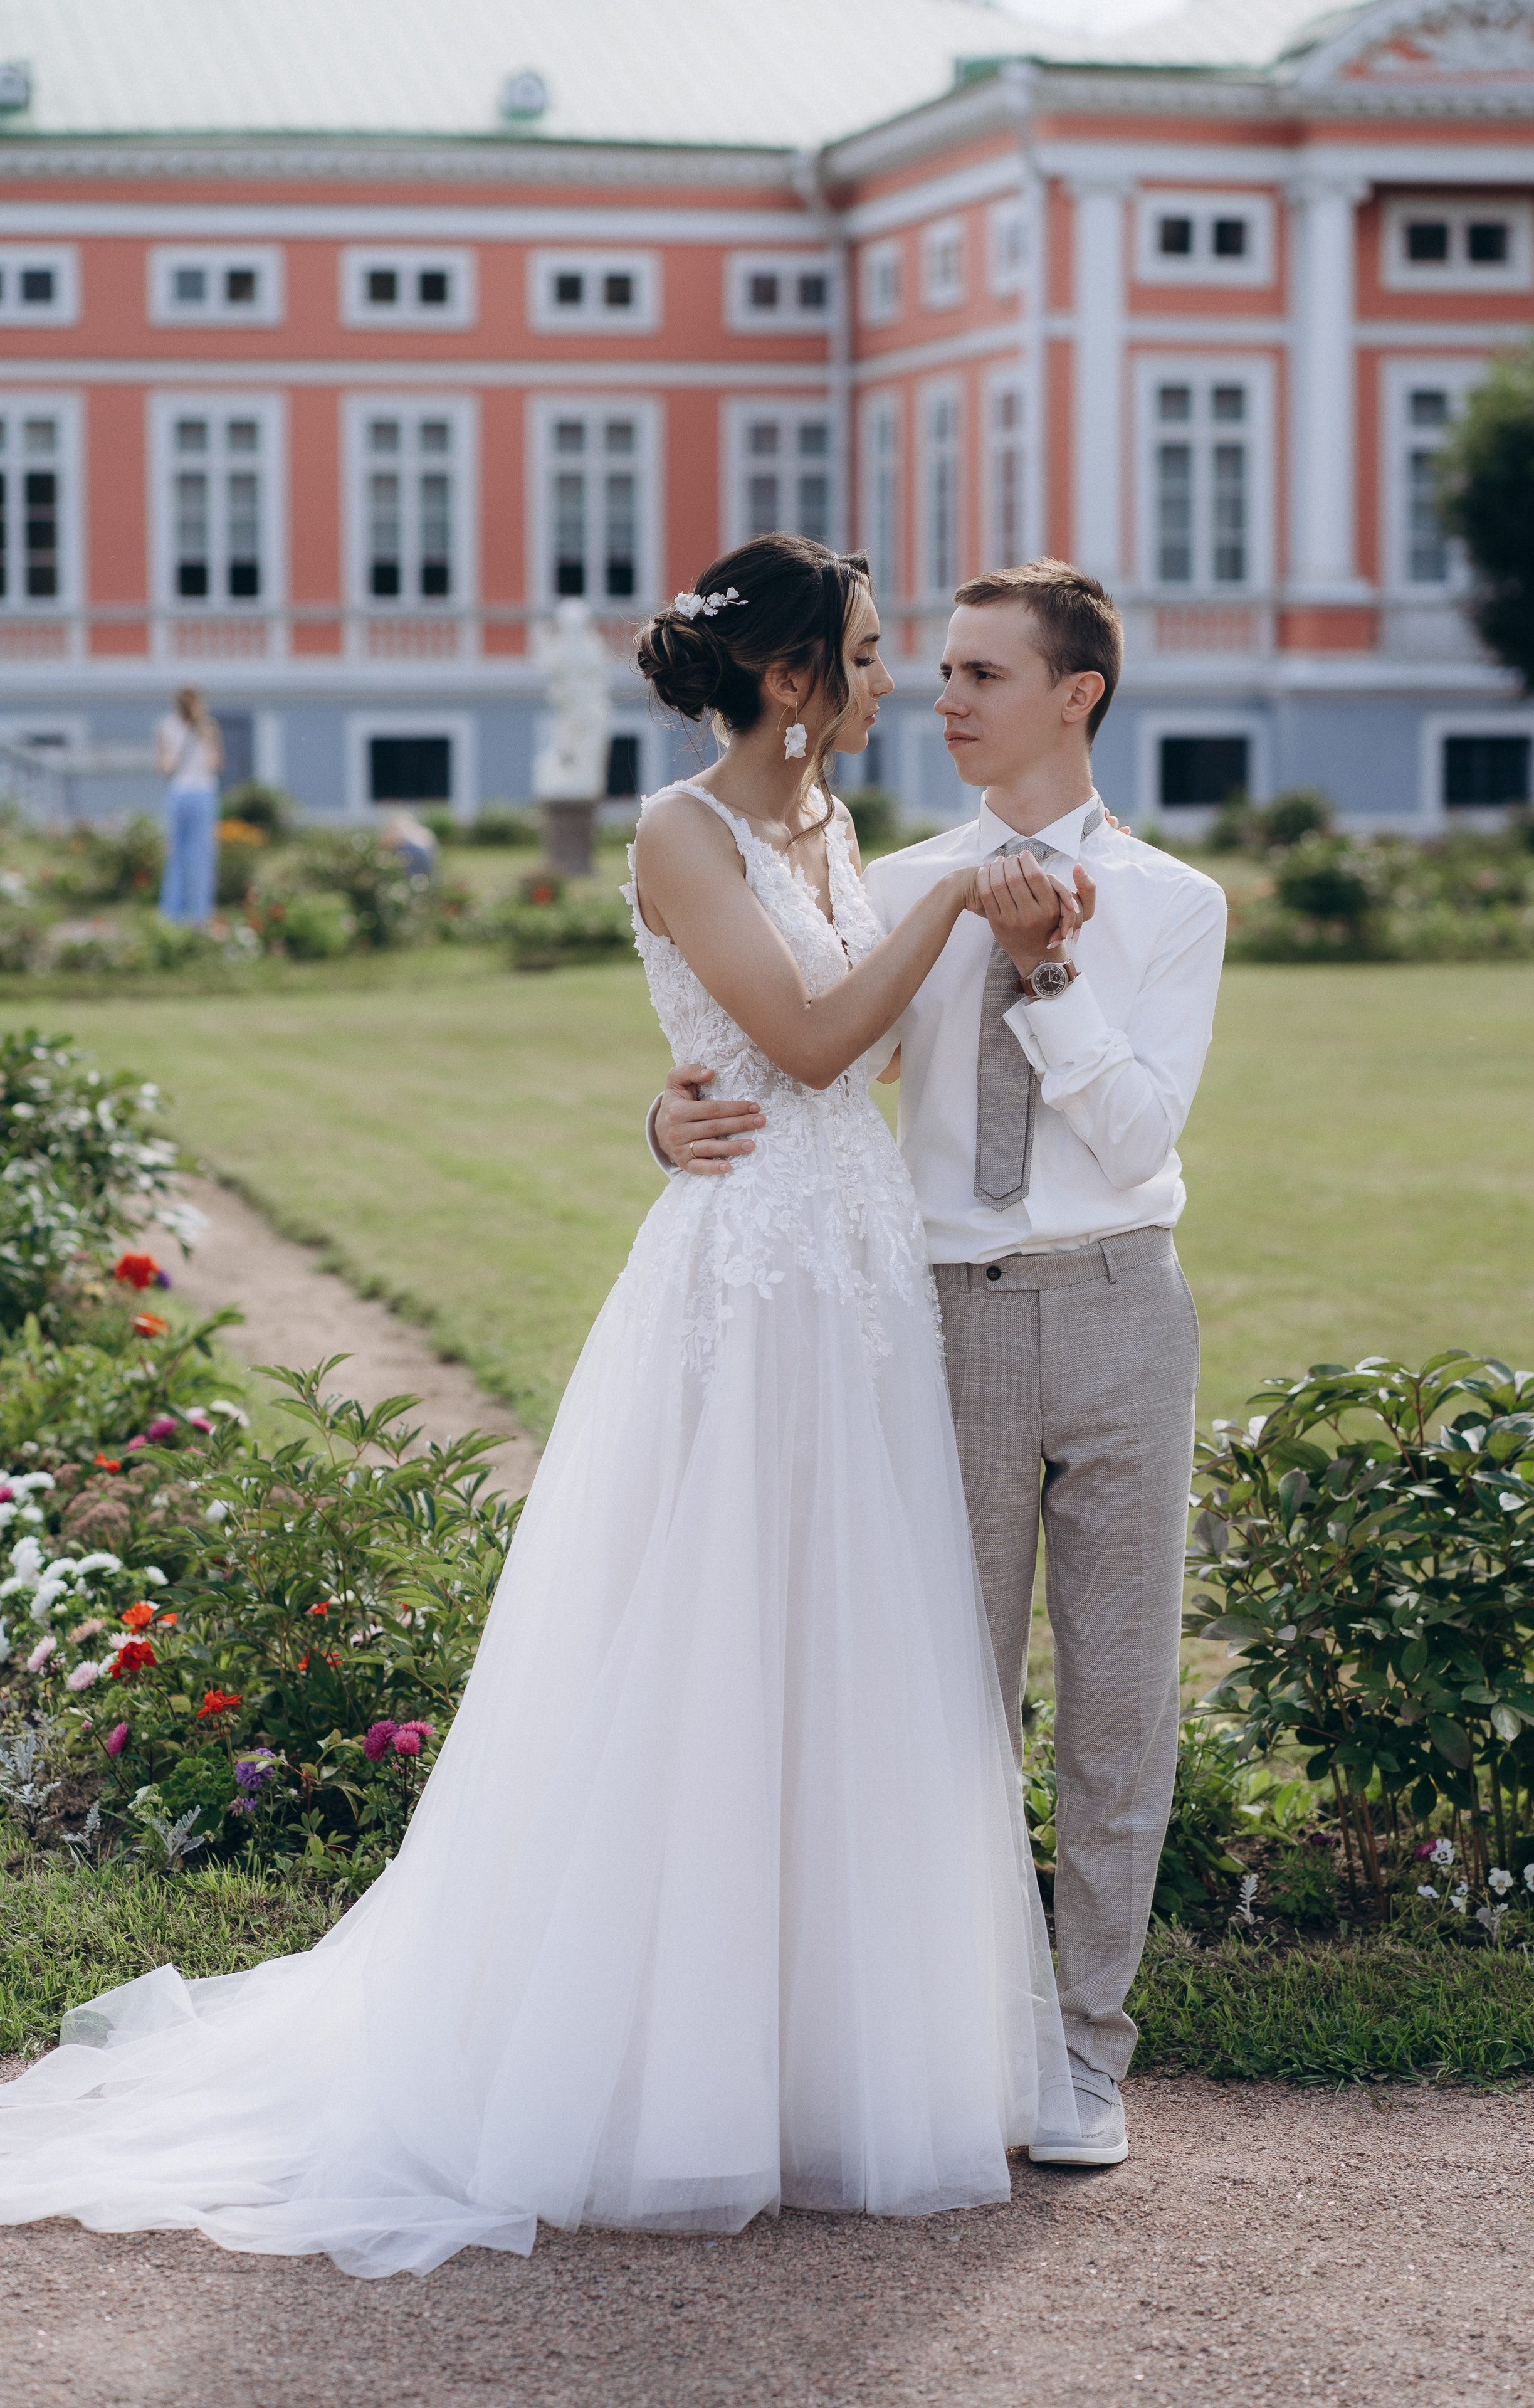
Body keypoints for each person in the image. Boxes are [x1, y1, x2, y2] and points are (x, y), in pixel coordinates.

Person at [0, 534, 1085, 2279]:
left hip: (852, 1264)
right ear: (793, 680)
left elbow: (851, 1055)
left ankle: (821, 2057)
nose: (894, 683)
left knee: (843, 1641)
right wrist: (937, 921)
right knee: (703, 1637)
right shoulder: (681, 827)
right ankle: (657, 2071)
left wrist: (941, 961)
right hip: (741, 1284)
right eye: (872, 657)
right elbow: (804, 1045)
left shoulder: (826, 826)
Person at [650, 559, 1229, 2170]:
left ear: (1074, 696)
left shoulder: (1174, 904)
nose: (941, 698)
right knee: (936, 1701)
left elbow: (1132, 1134)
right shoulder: (886, 874)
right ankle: (953, 2045)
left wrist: (1044, 974)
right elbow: (792, 1054)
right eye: (934, 667)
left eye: (980, 674)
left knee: (1117, 1701)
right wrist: (662, 1115)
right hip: (942, 1313)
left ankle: (1087, 2054)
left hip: (1121, 1303)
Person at [155, 685, 224, 924]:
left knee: (201, 855)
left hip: (200, 791)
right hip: (183, 792)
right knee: (176, 853)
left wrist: (204, 738)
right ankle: (173, 913)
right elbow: (165, 767)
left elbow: (214, 764)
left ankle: (197, 914)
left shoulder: (208, 728)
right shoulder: (168, 727)